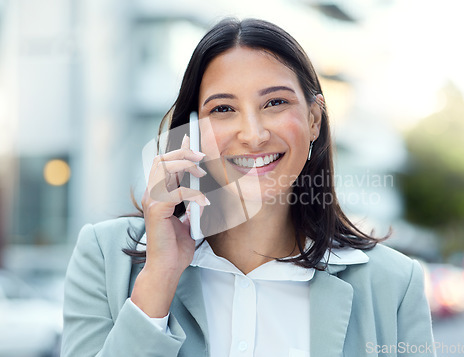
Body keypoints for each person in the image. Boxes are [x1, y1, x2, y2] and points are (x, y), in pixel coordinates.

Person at [62, 18, 436, 357]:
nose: (254, 135)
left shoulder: (393, 284)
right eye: (223, 109)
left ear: (313, 120)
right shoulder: (105, 257)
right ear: (193, 133)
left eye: (275, 102)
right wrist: (157, 281)